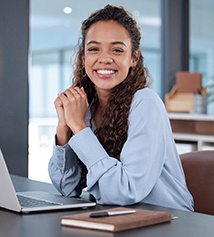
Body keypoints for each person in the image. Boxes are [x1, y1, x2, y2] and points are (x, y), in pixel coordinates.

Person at [48, 4, 194, 211]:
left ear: (133, 58)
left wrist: (79, 128)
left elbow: (125, 191)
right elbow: (67, 188)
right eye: (93, 49)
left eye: (117, 50)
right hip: (118, 217)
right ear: (83, 59)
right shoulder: (86, 107)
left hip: (167, 222)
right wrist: (64, 127)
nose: (105, 58)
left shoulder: (146, 103)